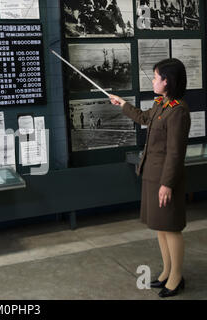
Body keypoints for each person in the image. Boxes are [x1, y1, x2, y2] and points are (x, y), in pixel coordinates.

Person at [110, 58, 190, 298]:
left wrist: (167, 184)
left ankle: (176, 278)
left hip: (165, 179)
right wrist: (122, 104)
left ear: (167, 82)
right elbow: (144, 118)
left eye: (156, 77)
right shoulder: (161, 103)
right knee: (160, 226)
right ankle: (167, 271)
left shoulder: (178, 111)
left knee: (171, 227)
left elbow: (176, 153)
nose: (153, 81)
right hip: (151, 175)